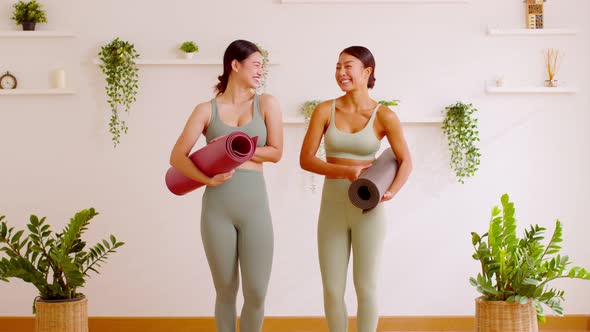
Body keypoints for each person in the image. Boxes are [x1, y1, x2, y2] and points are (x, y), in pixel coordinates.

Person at [169, 39, 283, 332]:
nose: (260, 71)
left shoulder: (267, 103)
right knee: (225, 292)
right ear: (235, 65)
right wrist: (207, 179)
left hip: (255, 208)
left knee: (256, 293)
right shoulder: (206, 110)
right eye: (256, 64)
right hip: (217, 207)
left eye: (262, 66)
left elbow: (276, 152)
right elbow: (177, 156)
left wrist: (234, 147)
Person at [299, 46, 412, 332]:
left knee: (366, 287)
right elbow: (306, 159)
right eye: (338, 67)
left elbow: (405, 161)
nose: (341, 73)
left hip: (369, 209)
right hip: (333, 207)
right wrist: (344, 171)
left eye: (348, 66)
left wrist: (391, 191)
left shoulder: (384, 116)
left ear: (367, 71)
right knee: (332, 289)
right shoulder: (325, 110)